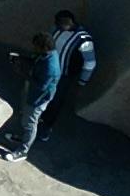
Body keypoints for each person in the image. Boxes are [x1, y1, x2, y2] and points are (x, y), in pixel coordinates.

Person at [13, 14, 97, 163]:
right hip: (46, 70)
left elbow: (90, 63)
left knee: (54, 104)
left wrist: (82, 81)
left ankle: (43, 131)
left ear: (69, 22)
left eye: (60, 24)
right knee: (42, 105)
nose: (56, 26)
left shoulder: (84, 40)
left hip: (63, 76)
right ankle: (32, 129)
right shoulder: (57, 30)